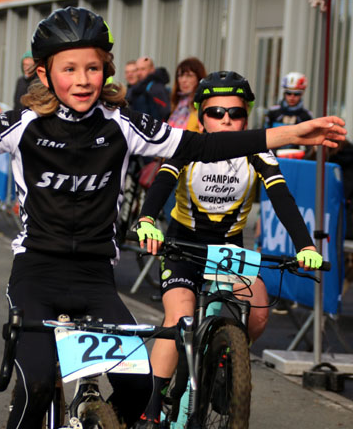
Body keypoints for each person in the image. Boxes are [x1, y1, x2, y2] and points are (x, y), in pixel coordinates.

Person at [0, 7, 346, 429]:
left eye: (92, 67)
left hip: (95, 279)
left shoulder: (127, 124)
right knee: (33, 388)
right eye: (68, 68)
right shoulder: (22, 124)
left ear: (105, 70)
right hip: (37, 274)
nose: (81, 79)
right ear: (45, 71)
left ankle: (92, 414)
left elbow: (203, 145)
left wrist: (294, 132)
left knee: (137, 389)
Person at [133, 71, 324, 428]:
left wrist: (305, 244)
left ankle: (223, 360)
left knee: (258, 312)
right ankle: (153, 404)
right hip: (183, 247)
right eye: (216, 112)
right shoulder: (188, 145)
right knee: (180, 318)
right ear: (202, 115)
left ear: (246, 117)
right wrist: (146, 219)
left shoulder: (258, 153)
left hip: (227, 250)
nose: (225, 120)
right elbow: (161, 183)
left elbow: (282, 200)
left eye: (235, 114)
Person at [265, 71, 313, 141]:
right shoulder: (272, 112)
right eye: (289, 93)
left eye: (296, 94)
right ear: (284, 93)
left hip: (298, 151)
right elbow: (265, 134)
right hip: (274, 150)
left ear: (302, 94)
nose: (292, 97)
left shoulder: (307, 116)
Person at [127, 56, 171, 122]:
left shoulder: (156, 88)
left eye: (143, 69)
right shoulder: (138, 87)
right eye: (137, 69)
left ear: (152, 69)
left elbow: (166, 113)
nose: (139, 73)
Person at [167, 57, 206, 131]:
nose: (183, 80)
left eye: (189, 75)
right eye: (180, 76)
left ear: (199, 78)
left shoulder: (204, 105)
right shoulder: (176, 104)